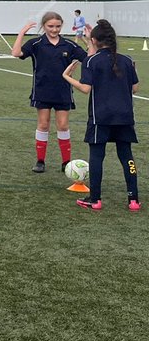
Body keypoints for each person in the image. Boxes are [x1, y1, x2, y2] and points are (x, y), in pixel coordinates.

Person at [63, 20, 140, 211]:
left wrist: (67, 77)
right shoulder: (127, 60)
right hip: (124, 116)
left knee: (97, 156)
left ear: (94, 40)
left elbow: (86, 89)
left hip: (101, 116)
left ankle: (95, 199)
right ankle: (134, 200)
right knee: (127, 156)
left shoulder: (91, 61)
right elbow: (135, 89)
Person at [12, 11, 89, 174]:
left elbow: (89, 59)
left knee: (63, 125)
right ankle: (40, 161)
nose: (54, 30)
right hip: (42, 91)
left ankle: (66, 162)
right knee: (43, 125)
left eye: (58, 26)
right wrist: (21, 33)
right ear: (44, 26)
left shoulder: (69, 45)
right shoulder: (36, 43)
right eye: (50, 26)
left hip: (63, 92)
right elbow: (16, 53)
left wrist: (90, 40)